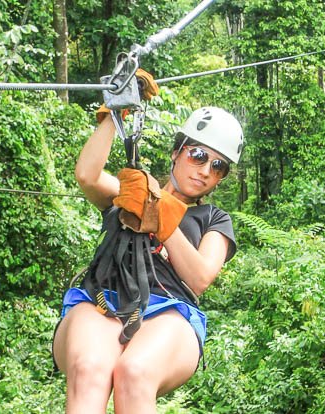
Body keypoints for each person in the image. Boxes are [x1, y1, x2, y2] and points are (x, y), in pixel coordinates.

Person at [51, 72, 242, 413]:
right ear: (177, 152)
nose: (205, 170)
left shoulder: (214, 219)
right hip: (102, 299)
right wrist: (114, 113)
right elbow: (88, 175)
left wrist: (163, 218)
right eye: (198, 155)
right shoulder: (137, 192)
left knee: (134, 373)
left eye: (218, 166)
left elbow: (199, 277)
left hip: (170, 311)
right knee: (89, 369)